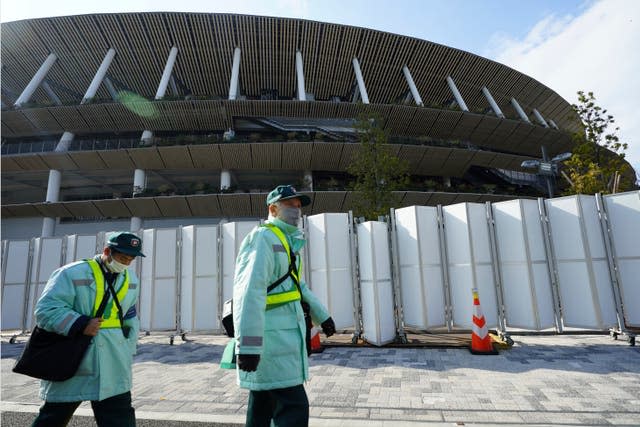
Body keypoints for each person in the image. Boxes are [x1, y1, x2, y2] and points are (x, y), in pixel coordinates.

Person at [233, 185, 336, 427]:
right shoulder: (263, 238)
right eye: (290, 205)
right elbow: (249, 292)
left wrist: (323, 317)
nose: (296, 211)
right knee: (293, 406)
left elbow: (299, 288)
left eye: (299, 206)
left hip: (282, 339)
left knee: (262, 407)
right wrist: (247, 346)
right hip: (272, 342)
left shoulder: (287, 243)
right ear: (273, 208)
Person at [30, 232, 145, 427]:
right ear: (107, 251)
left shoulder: (131, 278)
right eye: (122, 257)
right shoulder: (72, 273)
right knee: (54, 416)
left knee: (120, 418)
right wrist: (81, 323)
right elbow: (46, 310)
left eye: (131, 259)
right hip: (75, 356)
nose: (126, 263)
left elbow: (130, 316)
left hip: (113, 359)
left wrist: (129, 347)